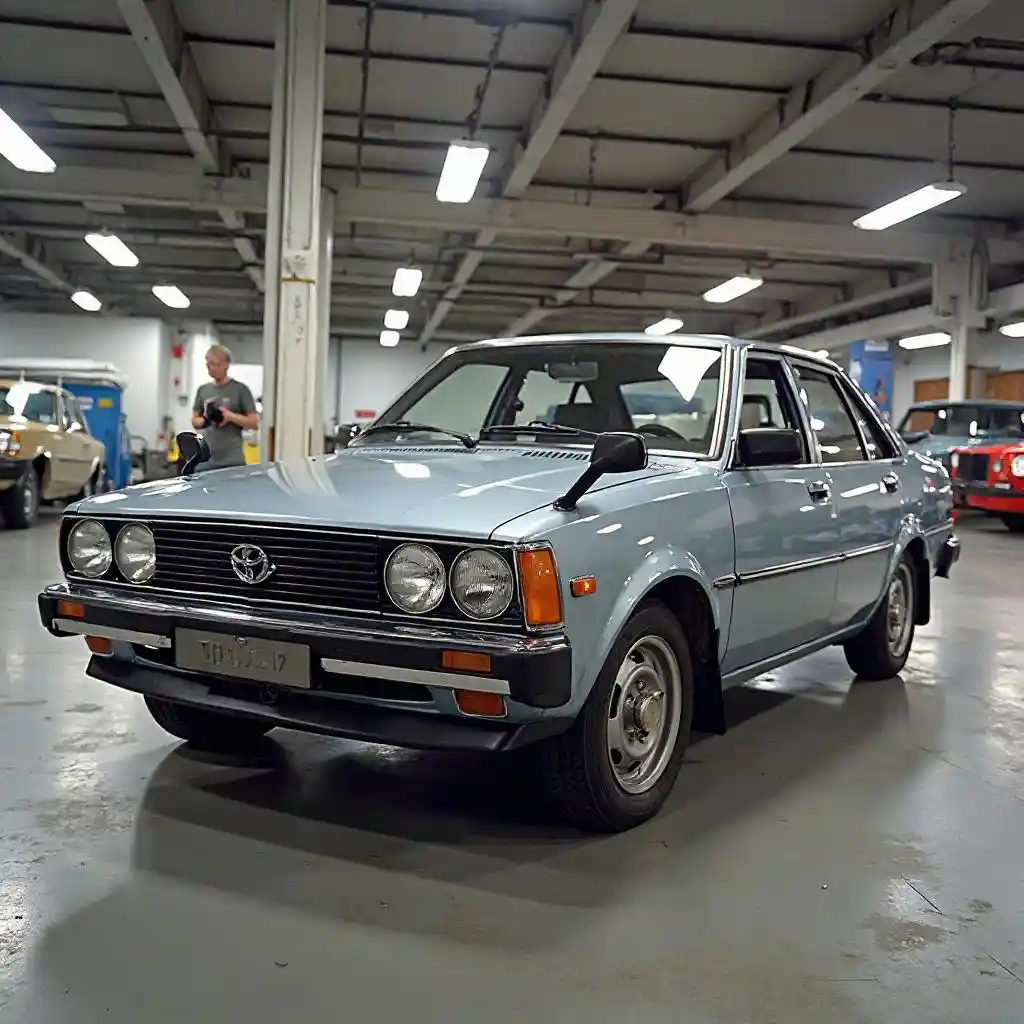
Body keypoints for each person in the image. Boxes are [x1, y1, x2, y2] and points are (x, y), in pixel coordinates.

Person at [191, 344, 259, 469]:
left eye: (213, 364)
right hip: (206, 460)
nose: (210, 368)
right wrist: (207, 419)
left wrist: (229, 416)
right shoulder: (203, 390)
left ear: (225, 364)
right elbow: (194, 420)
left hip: (232, 460)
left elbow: (254, 422)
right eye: (208, 364)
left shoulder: (240, 390)